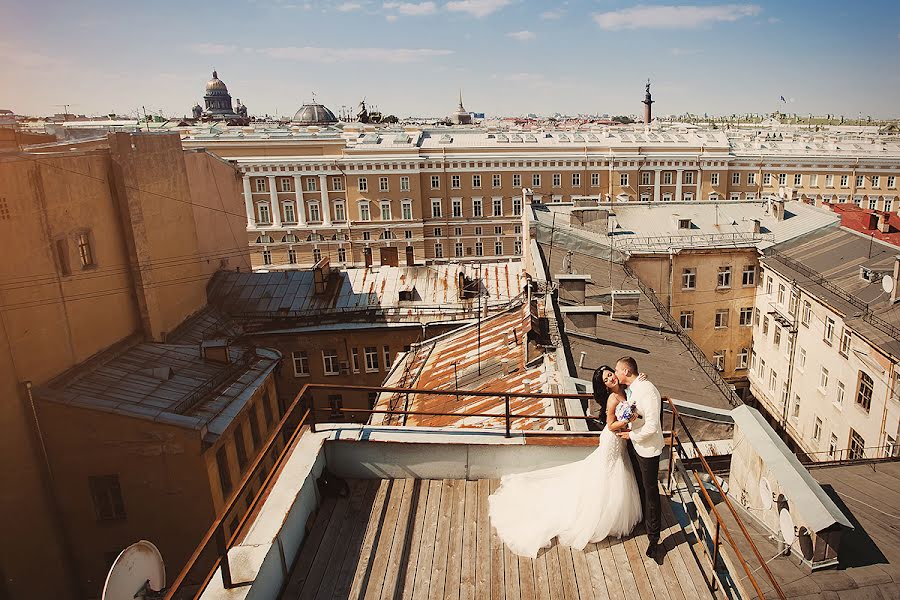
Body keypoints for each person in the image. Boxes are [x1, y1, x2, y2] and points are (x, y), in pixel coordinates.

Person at [487, 365, 642, 558]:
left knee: (612, 475)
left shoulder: (625, 391)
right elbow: (611, 426)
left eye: (610, 375)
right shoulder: (612, 399)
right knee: (605, 476)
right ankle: (600, 517)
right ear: (604, 386)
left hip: (620, 444)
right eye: (605, 380)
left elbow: (634, 387)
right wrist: (629, 420)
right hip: (612, 441)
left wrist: (639, 380)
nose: (610, 379)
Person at [614, 356, 664, 560]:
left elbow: (652, 426)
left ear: (626, 372)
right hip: (636, 445)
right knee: (641, 486)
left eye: (617, 370)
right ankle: (644, 521)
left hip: (648, 449)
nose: (616, 373)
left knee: (651, 491)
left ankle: (654, 539)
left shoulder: (648, 391)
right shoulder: (633, 388)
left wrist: (630, 434)